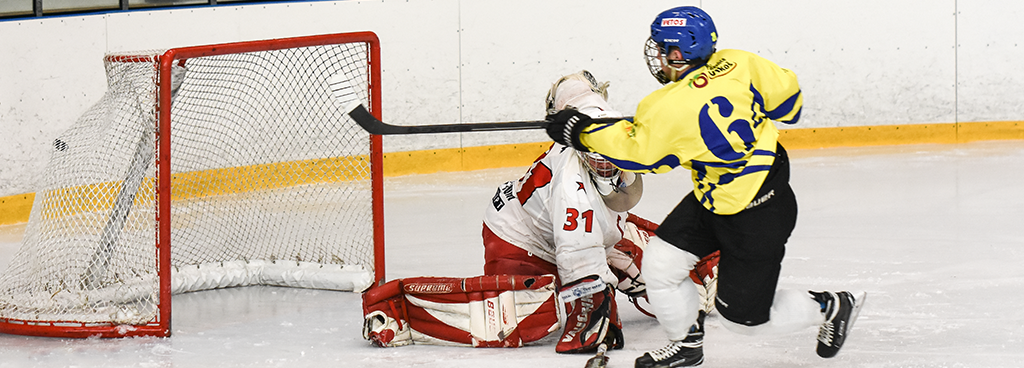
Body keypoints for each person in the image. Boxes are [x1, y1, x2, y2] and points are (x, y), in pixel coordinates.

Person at [544, 6, 865, 368]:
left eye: (663, 50)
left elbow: (639, 154)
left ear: (678, 55)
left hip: (756, 217)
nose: (660, 58)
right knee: (661, 262)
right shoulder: (740, 62)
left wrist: (579, 131)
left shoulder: (668, 106)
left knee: (744, 321)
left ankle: (832, 305)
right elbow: (790, 104)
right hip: (733, 192)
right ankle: (686, 345)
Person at [360, 70, 720, 353]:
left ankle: (711, 265)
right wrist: (594, 308)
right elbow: (577, 249)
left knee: (659, 269)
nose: (604, 160)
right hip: (518, 242)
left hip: (578, 230)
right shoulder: (570, 180)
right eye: (594, 150)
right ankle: (397, 309)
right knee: (534, 311)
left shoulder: (619, 135)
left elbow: (618, 205)